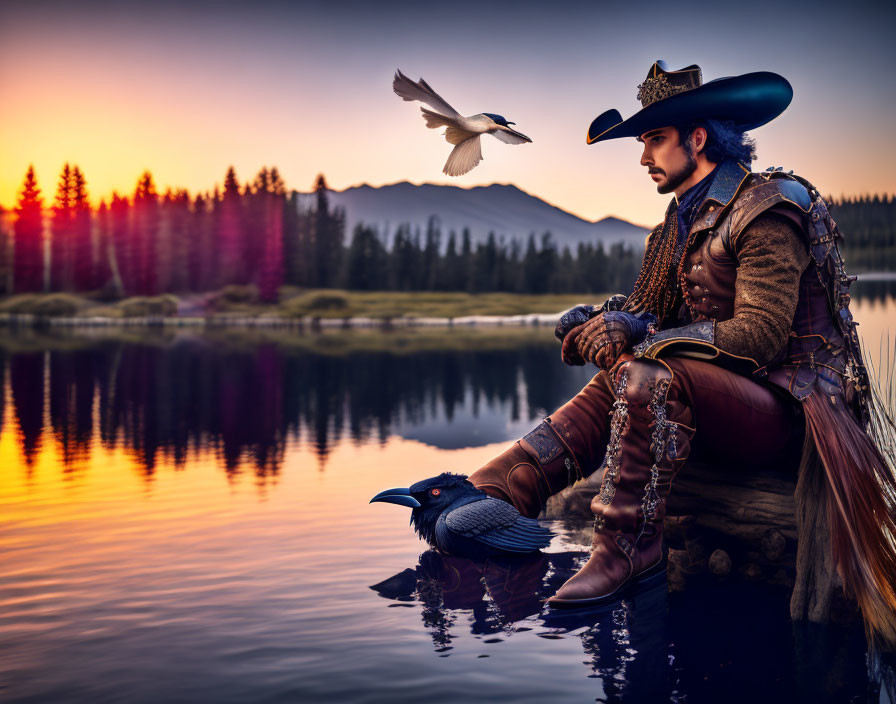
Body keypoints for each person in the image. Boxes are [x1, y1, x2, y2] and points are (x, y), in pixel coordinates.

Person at [463, 61, 896, 645]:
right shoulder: (676, 222)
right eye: (643, 141)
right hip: (724, 404)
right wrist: (611, 324)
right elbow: (650, 309)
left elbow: (760, 336)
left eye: (654, 140)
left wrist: (642, 341)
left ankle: (628, 550)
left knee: (648, 373)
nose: (644, 157)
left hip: (793, 413)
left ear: (698, 138)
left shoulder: (768, 207)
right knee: (629, 369)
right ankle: (501, 489)